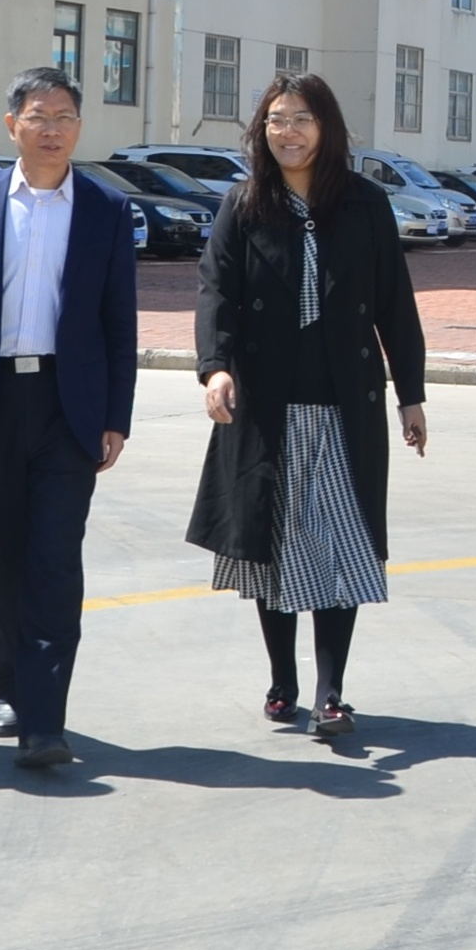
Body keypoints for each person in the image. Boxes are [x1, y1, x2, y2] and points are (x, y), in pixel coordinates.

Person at [189, 72, 427, 739]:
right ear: (261, 130)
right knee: (273, 544)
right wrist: (214, 368)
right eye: (276, 120)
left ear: (326, 127)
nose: (288, 132)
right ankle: (282, 680)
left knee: (339, 545)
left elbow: (395, 304)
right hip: (266, 406)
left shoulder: (364, 203)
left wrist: (411, 394)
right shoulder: (245, 203)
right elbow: (216, 292)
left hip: (343, 404)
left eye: (301, 119)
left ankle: (330, 692)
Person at [0, 66, 138, 771]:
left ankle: (45, 718)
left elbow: (119, 321)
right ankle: (8, 682)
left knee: (54, 560)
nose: (52, 129)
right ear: (12, 125)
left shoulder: (105, 208)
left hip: (68, 409)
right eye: (39, 116)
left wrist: (117, 415)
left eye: (65, 117)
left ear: (80, 128)